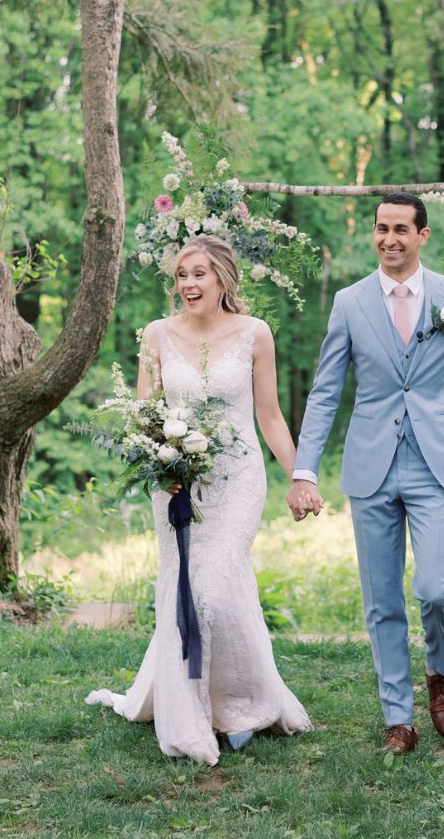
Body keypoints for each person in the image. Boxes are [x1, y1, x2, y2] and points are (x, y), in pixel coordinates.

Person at [287, 192, 444, 755]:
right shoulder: (350, 302)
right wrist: (304, 469)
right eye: (381, 228)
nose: (389, 239)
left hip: (436, 463)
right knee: (382, 600)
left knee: (436, 589)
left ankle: (440, 670)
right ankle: (397, 720)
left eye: (401, 229)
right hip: (372, 465)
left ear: (422, 235)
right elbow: (327, 390)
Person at [86, 236, 311, 764]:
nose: (188, 283)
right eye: (181, 275)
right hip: (177, 484)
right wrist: (161, 466)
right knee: (184, 589)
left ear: (223, 280)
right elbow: (142, 414)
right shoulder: (157, 336)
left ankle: (243, 706)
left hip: (237, 481)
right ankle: (194, 711)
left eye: (199, 274)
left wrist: (301, 477)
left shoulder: (256, 334)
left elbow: (270, 416)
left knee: (218, 586)